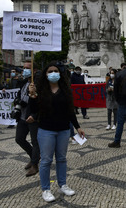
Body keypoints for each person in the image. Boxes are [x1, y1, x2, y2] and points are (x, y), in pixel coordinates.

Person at [29, 62, 85, 202]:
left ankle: (62, 184)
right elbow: (34, 110)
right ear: (45, 74)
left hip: (63, 130)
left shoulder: (65, 90)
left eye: (55, 71)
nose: (53, 73)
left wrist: (77, 127)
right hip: (46, 130)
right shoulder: (40, 90)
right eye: (50, 71)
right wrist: (32, 95)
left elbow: (70, 110)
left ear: (60, 73)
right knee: (46, 160)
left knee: (61, 159)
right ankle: (46, 189)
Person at [13, 61, 40, 177]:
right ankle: (33, 156)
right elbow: (20, 96)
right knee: (19, 138)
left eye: (27, 68)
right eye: (23, 68)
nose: (24, 70)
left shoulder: (38, 84)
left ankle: (34, 165)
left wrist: (35, 115)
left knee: (35, 142)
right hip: (23, 117)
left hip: (33, 118)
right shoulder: (23, 83)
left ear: (34, 71)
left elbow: (41, 102)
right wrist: (18, 102)